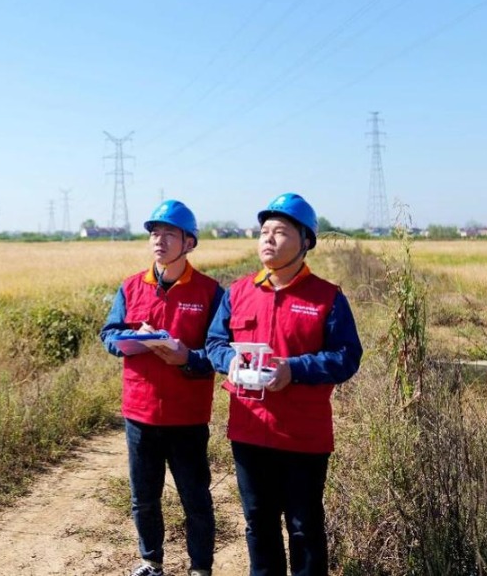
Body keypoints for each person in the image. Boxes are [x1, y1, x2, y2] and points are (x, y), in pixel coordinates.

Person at [205, 193, 362, 576]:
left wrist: (294, 369)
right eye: (264, 232)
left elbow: (346, 357)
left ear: (305, 241)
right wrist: (231, 363)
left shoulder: (327, 298)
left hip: (302, 434)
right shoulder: (238, 292)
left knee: (304, 526)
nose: (268, 239)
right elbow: (214, 343)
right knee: (259, 522)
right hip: (249, 428)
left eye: (280, 232)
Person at [100, 199, 223, 576]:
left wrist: (188, 357)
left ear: (189, 243)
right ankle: (150, 562)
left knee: (195, 499)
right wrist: (129, 339)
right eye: (155, 233)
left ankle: (200, 568)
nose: (159, 240)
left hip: (186, 416)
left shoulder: (210, 292)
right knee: (144, 498)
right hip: (140, 413)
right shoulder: (131, 287)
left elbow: (221, 351)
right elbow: (109, 334)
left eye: (170, 233)